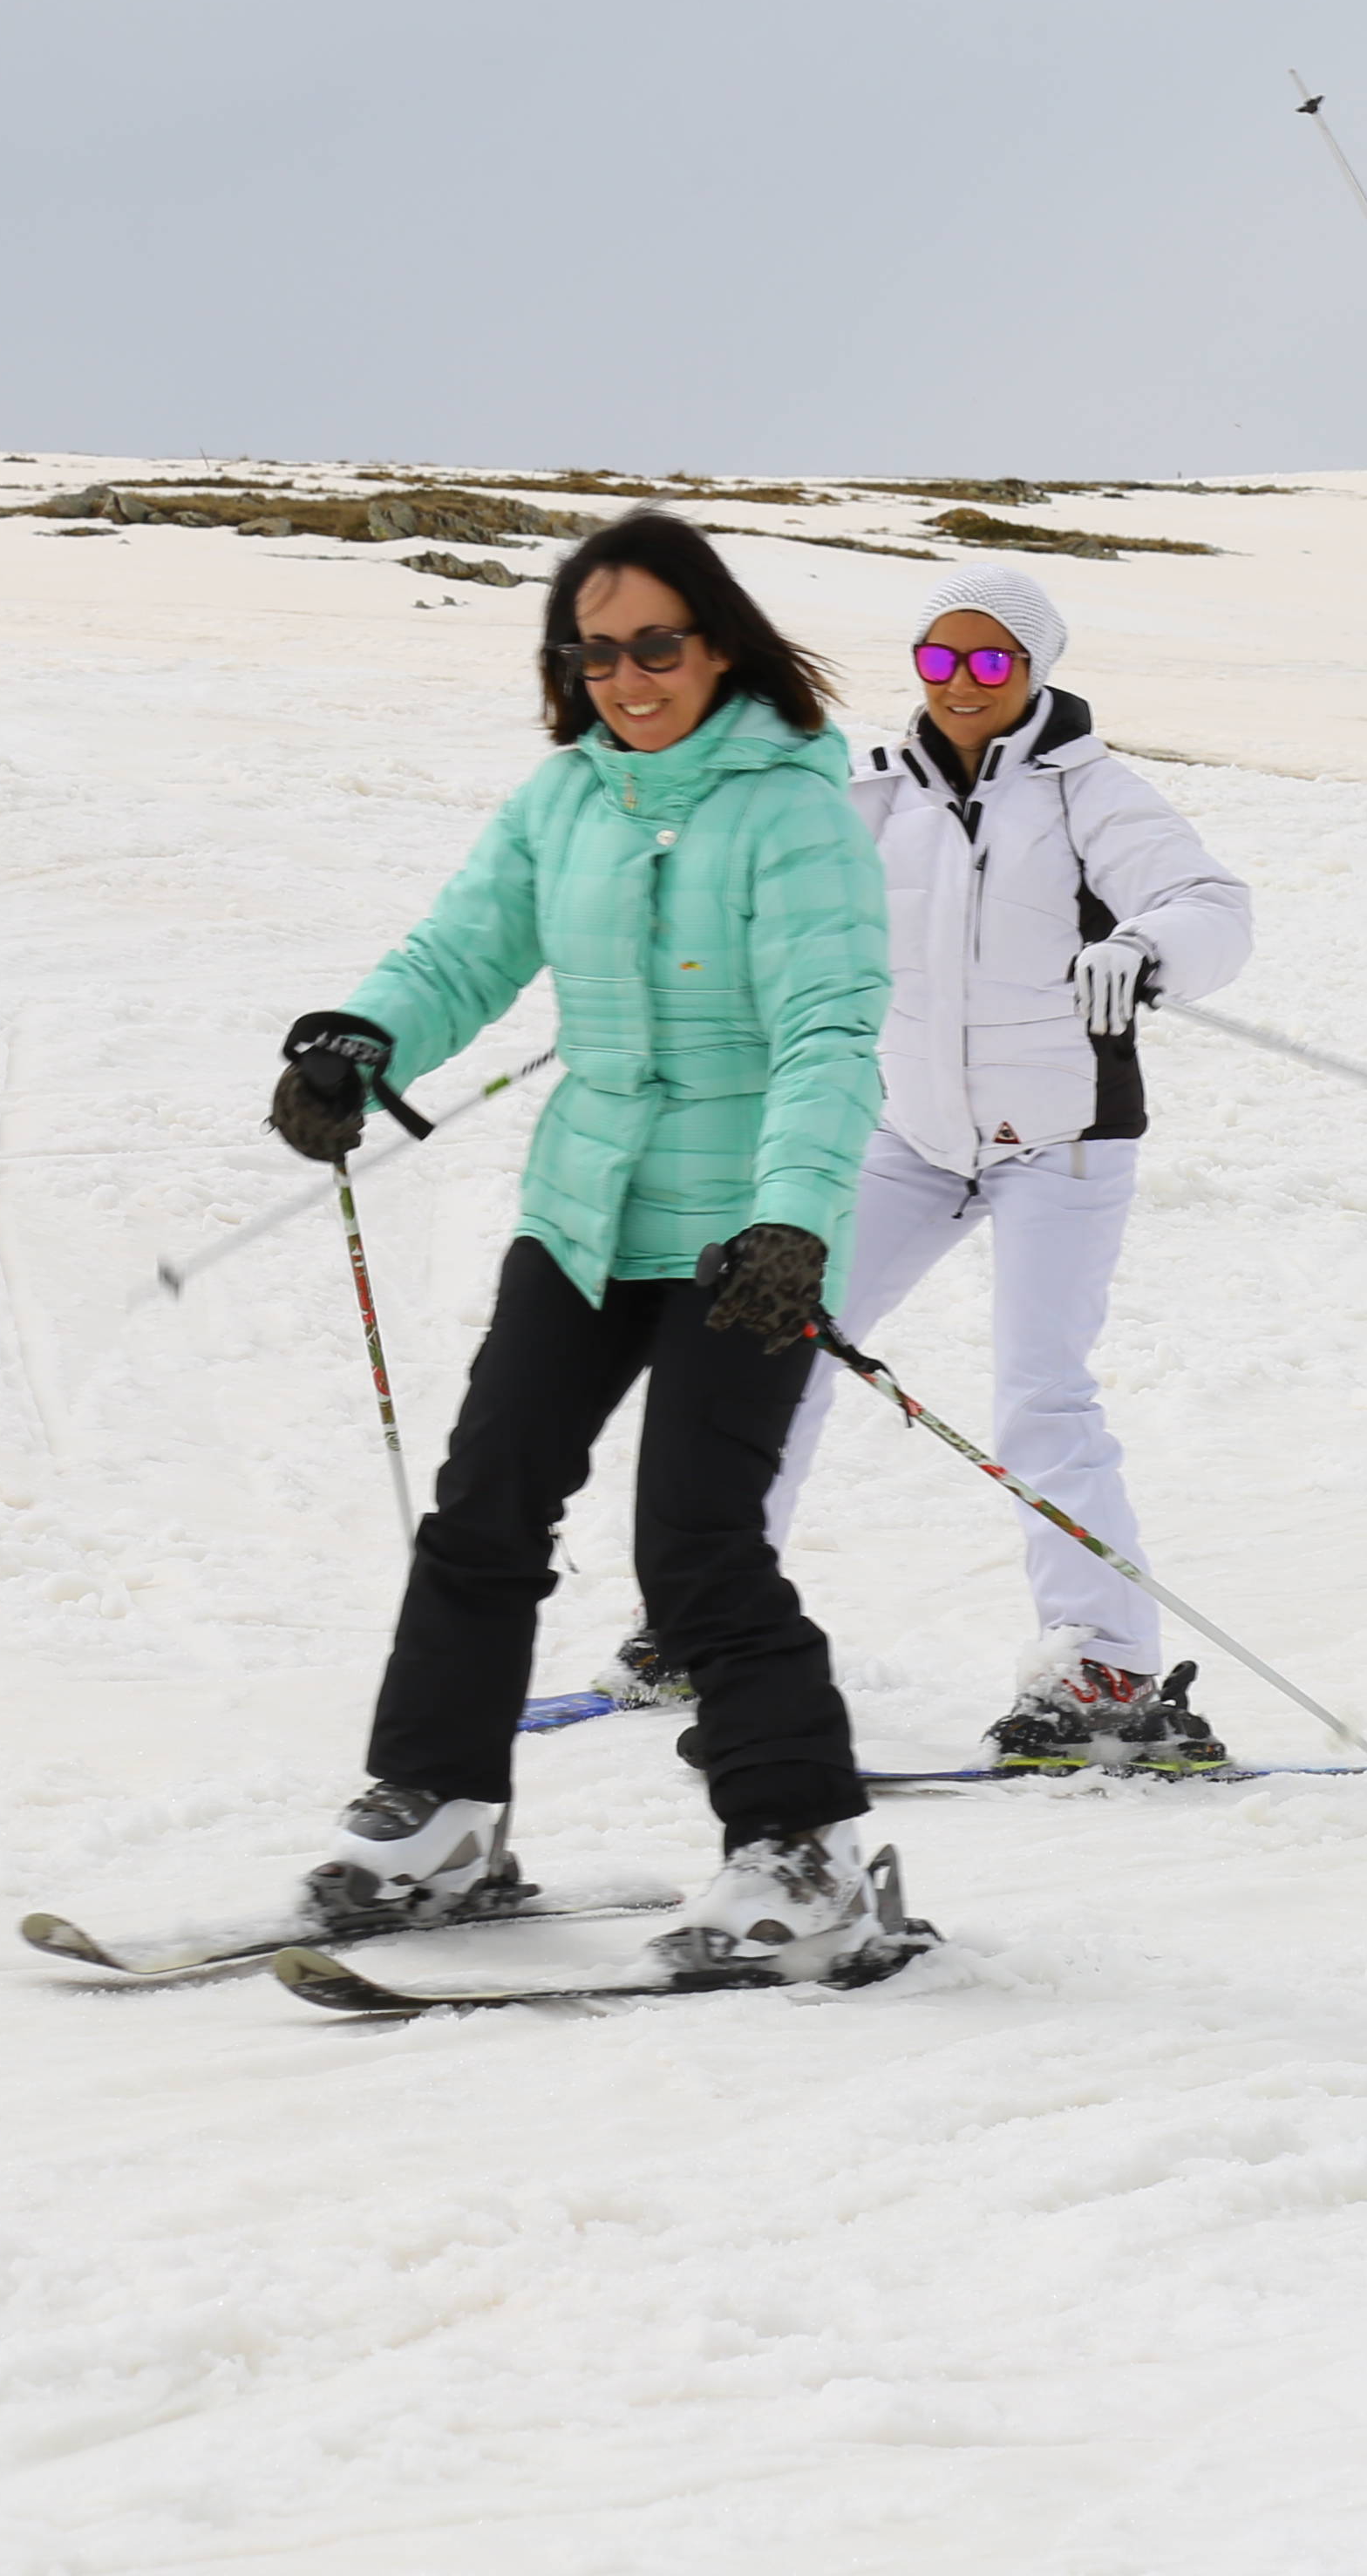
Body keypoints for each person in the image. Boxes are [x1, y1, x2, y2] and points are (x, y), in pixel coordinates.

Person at [266, 507, 914, 1981]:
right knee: (485, 1504)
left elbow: (829, 1030)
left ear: (721, 644)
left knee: (694, 1542)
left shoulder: (795, 813)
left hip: (744, 1234)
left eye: (654, 646)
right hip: (582, 1212)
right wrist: (364, 1038)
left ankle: (803, 1853)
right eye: (594, 653)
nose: (625, 677)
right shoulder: (563, 800)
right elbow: (463, 950)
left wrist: (792, 1219)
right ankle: (440, 1815)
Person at [754, 559, 1254, 1767]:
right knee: (777, 1342)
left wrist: (1145, 949)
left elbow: (1210, 904)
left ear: (1034, 668)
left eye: (989, 660)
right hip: (913, 1134)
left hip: (1061, 1138)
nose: (962, 682)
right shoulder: (879, 794)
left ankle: (1104, 1663)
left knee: (1042, 1395)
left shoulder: (1091, 792)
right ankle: (711, 1609)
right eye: (940, 658)